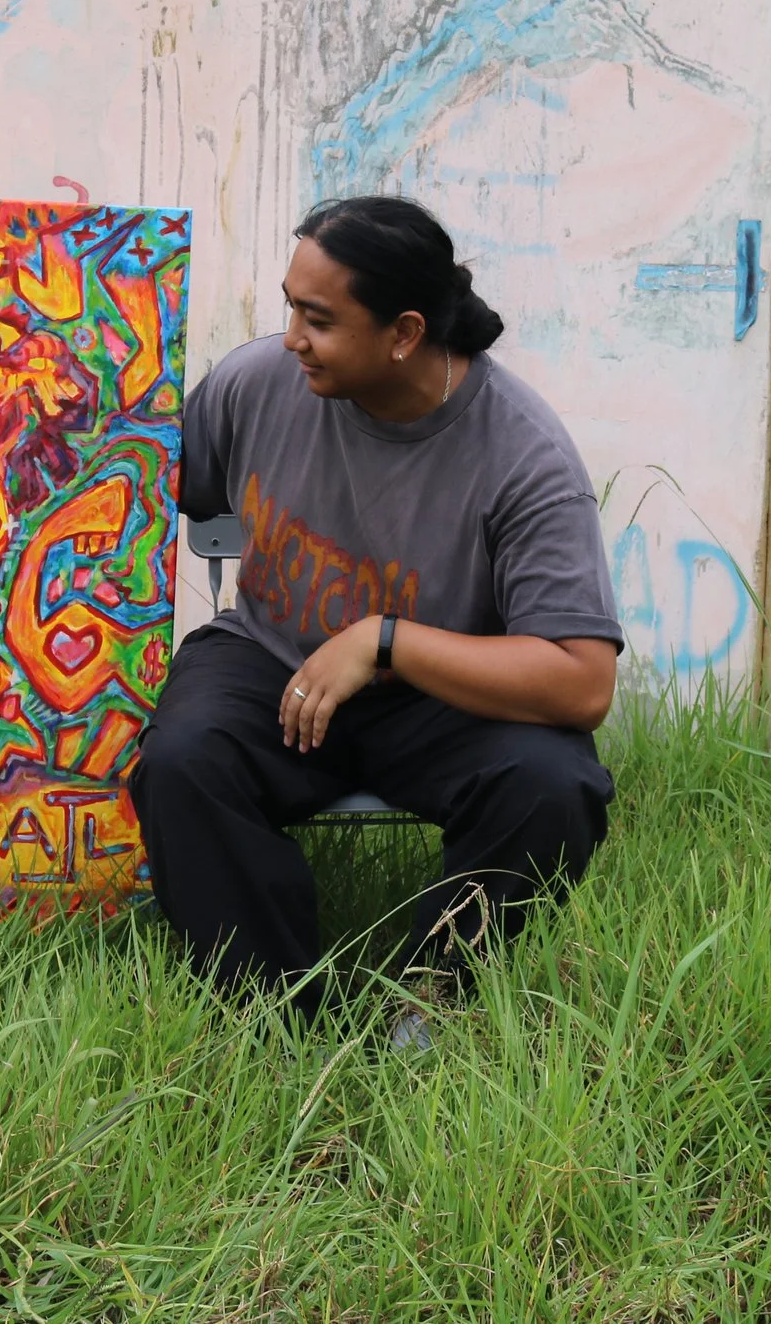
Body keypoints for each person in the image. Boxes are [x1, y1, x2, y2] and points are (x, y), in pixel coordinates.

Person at [133, 195, 623, 1017]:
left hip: (438, 699)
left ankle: (430, 998)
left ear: (403, 334)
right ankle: (274, 1016)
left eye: (318, 320)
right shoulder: (255, 385)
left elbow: (583, 682)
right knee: (182, 759)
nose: (291, 337)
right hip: (272, 658)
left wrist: (384, 641)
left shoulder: (525, 456)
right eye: (291, 307)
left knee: (552, 784)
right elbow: (141, 485)